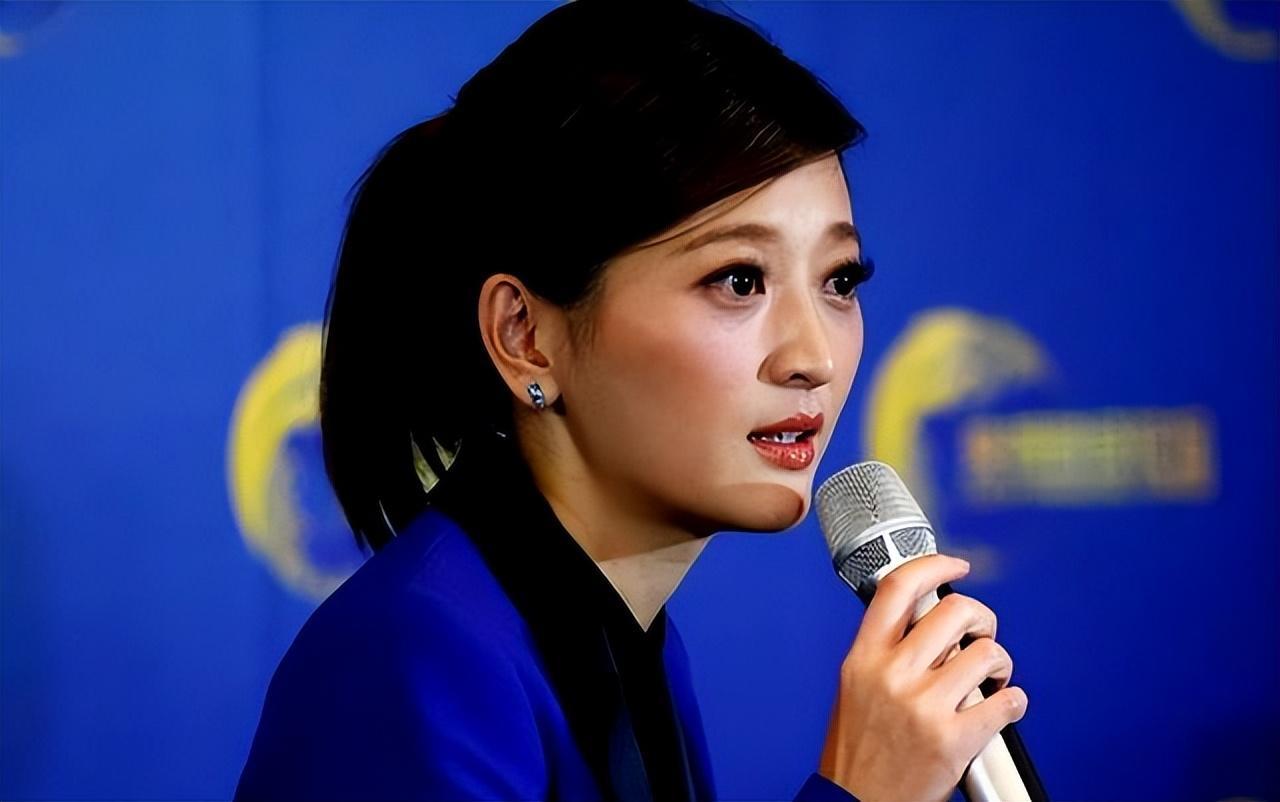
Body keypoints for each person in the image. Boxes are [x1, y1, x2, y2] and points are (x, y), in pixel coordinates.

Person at [234, 2, 1027, 800]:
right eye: (739, 280)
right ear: (525, 336)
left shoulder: (635, 644)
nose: (813, 358)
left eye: (839, 281)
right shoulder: (417, 656)